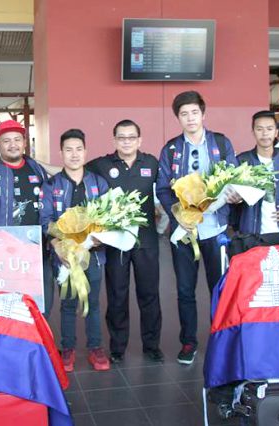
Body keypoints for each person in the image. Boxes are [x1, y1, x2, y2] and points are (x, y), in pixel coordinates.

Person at [156, 91, 241, 365]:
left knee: (219, 287)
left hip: (215, 229)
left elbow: (234, 176)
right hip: (184, 232)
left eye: (194, 112)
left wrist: (235, 194)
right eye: (184, 114)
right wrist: (177, 213)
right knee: (185, 289)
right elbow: (162, 188)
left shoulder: (221, 143)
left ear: (203, 114)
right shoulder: (170, 149)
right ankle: (189, 342)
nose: (190, 118)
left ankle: (220, 339)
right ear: (178, 118)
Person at [86, 119, 163, 364]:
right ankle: (118, 347)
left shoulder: (151, 163)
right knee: (117, 295)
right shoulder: (102, 165)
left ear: (139, 140)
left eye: (131, 137)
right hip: (116, 242)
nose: (126, 141)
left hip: (146, 240)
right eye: (121, 137)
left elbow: (169, 188)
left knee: (149, 294)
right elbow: (73, 171)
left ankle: (152, 345)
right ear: (114, 140)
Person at [39, 129, 110, 372]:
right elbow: (45, 219)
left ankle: (95, 347)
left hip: (94, 255)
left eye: (78, 149)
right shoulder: (51, 185)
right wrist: (58, 245)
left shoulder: (98, 183)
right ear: (61, 153)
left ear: (85, 151)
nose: (74, 154)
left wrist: (100, 237)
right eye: (68, 150)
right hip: (64, 257)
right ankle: (67, 348)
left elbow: (108, 217)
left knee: (93, 302)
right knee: (68, 304)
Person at [0, 120, 53, 314]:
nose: (13, 145)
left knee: (42, 302)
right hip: (6, 252)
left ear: (24, 142)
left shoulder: (37, 169)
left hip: (39, 248)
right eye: (6, 141)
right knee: (9, 303)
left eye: (17, 139)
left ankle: (40, 334)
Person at [235, 111, 279, 235]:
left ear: (276, 132)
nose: (265, 133)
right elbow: (233, 192)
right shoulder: (243, 161)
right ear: (253, 132)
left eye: (269, 129)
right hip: (252, 231)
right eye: (259, 129)